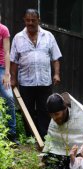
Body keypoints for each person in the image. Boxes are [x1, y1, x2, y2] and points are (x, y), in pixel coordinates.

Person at [10, 9, 62, 140]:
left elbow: (55, 58)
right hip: (26, 81)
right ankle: (30, 137)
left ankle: (44, 136)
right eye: (27, 20)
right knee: (27, 110)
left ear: (39, 20)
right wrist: (13, 78)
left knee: (44, 110)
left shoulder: (48, 36)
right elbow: (14, 61)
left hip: (44, 81)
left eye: (33, 20)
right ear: (24, 20)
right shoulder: (18, 38)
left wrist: (56, 74)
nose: (30, 23)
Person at [0, 14, 18, 144]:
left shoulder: (3, 29)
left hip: (1, 68)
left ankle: (12, 133)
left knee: (9, 97)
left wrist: (7, 73)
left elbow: (7, 52)